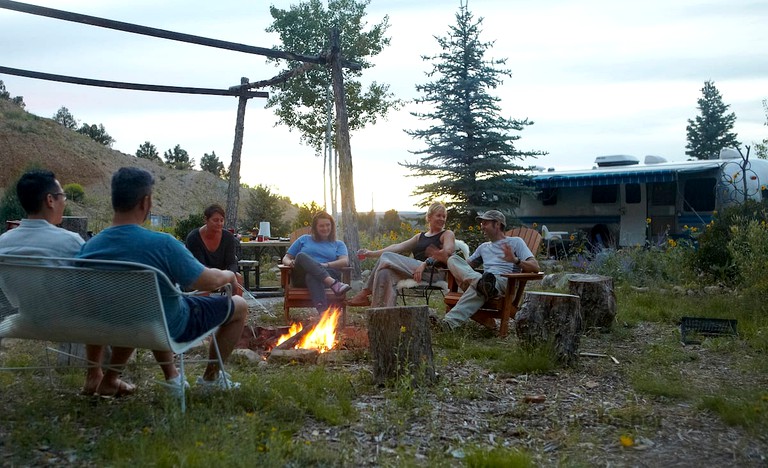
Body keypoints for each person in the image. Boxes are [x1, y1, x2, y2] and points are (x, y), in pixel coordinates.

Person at [78, 167, 248, 396]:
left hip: (110, 323)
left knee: (143, 307)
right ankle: (211, 378)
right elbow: (206, 282)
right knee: (239, 306)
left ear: (114, 200)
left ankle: (112, 378)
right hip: (168, 325)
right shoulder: (162, 244)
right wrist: (228, 275)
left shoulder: (89, 247)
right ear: (145, 202)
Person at [433, 210, 540, 331]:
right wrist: (445, 260)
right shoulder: (483, 247)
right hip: (484, 281)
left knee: (479, 286)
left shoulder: (516, 242)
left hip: (503, 281)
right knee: (453, 259)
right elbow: (466, 267)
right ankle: (481, 283)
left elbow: (535, 267)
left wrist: (515, 260)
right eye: (481, 224)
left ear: (497, 224)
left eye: (485, 223)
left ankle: (447, 324)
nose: (481, 227)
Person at [348, 201, 456, 307]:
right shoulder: (420, 236)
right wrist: (370, 253)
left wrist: (425, 263)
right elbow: (397, 247)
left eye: (444, 216)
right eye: (439, 216)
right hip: (415, 271)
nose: (442, 219)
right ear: (429, 217)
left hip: (434, 272)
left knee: (386, 257)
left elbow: (447, 252)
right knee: (384, 273)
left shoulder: (447, 234)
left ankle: (364, 293)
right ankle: (382, 313)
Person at [0, 170, 84, 259]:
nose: (64, 202)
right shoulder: (72, 243)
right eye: (62, 196)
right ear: (50, 200)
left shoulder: (3, 242)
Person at [281, 211, 351, 314]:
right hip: (301, 278)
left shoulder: (338, 244)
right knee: (301, 256)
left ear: (332, 226)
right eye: (321, 226)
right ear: (315, 228)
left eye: (328, 225)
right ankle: (333, 284)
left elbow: (344, 261)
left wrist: (326, 265)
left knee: (312, 275)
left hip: (327, 273)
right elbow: (286, 258)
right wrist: (290, 263)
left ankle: (323, 313)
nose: (325, 228)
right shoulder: (304, 239)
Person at [185, 203, 243, 295]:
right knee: (203, 281)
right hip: (200, 273)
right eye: (215, 220)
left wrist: (228, 276)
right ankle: (203, 308)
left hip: (221, 273)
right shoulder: (194, 238)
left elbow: (232, 262)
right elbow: (199, 265)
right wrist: (219, 278)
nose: (219, 223)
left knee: (238, 277)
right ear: (206, 220)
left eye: (221, 220)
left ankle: (235, 307)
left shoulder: (228, 237)